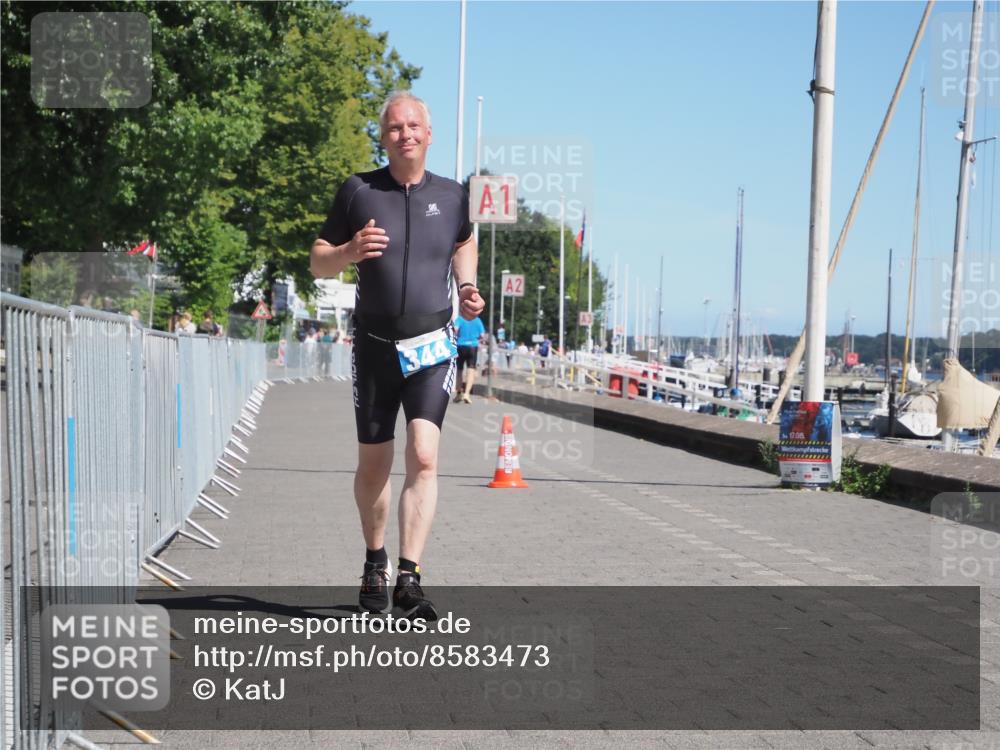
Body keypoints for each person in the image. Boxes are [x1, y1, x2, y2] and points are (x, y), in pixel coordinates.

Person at [309, 91, 484, 620]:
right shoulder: (359, 191)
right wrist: (347, 253)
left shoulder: (454, 195)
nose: (404, 133)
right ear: (382, 136)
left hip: (433, 346)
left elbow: (462, 241)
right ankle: (374, 558)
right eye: (393, 127)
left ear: (429, 135)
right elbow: (318, 262)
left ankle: (410, 576)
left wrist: (469, 286)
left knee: (425, 457)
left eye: (413, 126)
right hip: (376, 347)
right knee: (374, 466)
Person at [453, 314, 485, 403]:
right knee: (471, 369)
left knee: (459, 370)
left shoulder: (460, 318)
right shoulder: (477, 320)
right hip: (473, 346)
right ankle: (467, 393)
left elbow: (455, 330)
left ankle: (459, 393)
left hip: (460, 345)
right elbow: (482, 335)